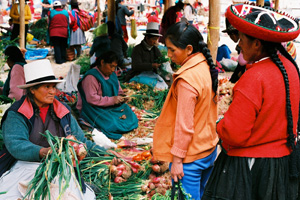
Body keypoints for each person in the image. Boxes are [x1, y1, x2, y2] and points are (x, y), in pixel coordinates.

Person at [202, 4, 300, 200]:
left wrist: (220, 125)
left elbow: (235, 134)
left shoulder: (254, 77)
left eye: (242, 39)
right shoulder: (290, 68)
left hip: (252, 167)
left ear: (257, 44)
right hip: (282, 163)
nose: (238, 45)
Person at [0, 59, 102, 199]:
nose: (52, 91)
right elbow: (16, 145)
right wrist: (43, 152)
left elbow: (81, 141)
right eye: (46, 87)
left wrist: (106, 154)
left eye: (53, 87)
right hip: (24, 167)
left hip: (57, 167)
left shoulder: (62, 110)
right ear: (32, 89)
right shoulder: (17, 113)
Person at [153, 21, 219, 200]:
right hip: (208, 149)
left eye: (172, 50)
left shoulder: (187, 79)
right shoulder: (205, 66)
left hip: (191, 158)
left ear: (189, 49)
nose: (169, 55)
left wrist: (177, 161)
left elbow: (184, 126)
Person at [76, 51, 138, 140]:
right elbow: (91, 99)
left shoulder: (112, 75)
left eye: (115, 67)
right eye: (111, 66)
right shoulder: (91, 77)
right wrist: (112, 100)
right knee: (112, 124)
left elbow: (118, 90)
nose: (113, 70)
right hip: (94, 109)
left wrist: (122, 96)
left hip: (110, 107)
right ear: (102, 62)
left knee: (130, 115)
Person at [125, 22, 168, 89]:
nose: (155, 42)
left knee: (164, 86)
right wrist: (151, 65)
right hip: (138, 75)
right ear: (147, 38)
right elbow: (136, 66)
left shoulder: (155, 49)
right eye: (154, 39)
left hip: (151, 75)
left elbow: (160, 58)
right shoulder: (137, 49)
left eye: (156, 39)